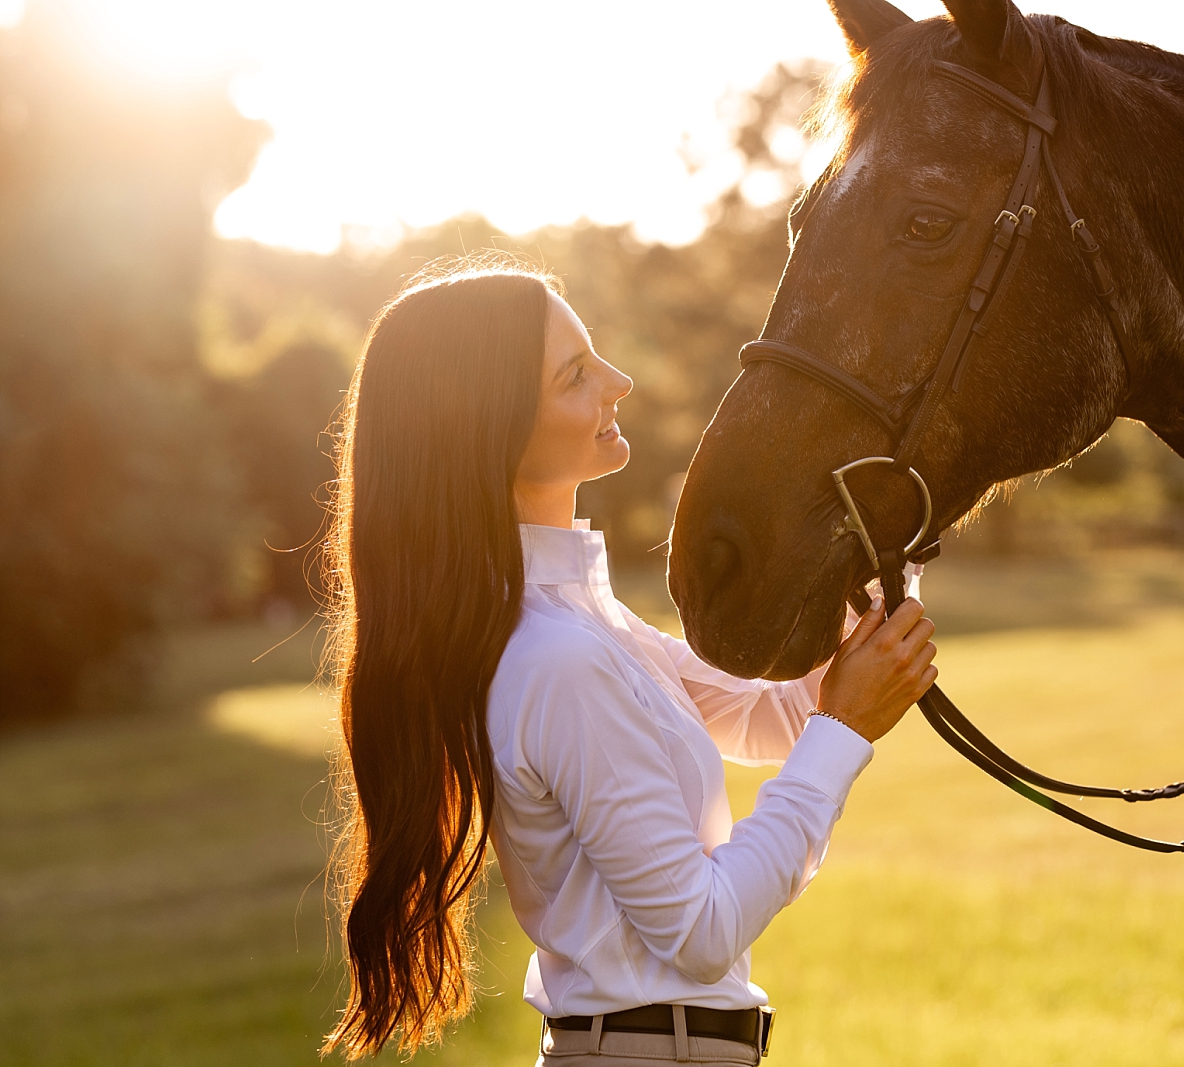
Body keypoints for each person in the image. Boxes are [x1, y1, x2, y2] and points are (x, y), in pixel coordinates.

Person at [321, 263, 937, 1063]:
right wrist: (846, 727)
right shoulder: (555, 657)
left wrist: (893, 543)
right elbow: (700, 929)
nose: (619, 380)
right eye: (576, 375)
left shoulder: (582, 620)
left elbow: (770, 715)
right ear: (491, 429)